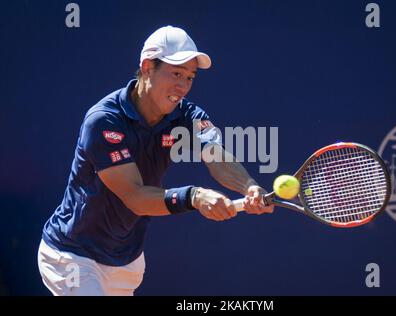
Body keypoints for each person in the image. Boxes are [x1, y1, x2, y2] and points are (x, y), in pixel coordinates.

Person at [37, 25, 273, 296]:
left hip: (127, 261)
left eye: (189, 77)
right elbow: (135, 196)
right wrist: (195, 196)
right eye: (175, 74)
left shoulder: (189, 116)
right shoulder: (103, 120)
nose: (183, 86)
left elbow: (217, 157)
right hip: (73, 256)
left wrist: (249, 187)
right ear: (147, 67)